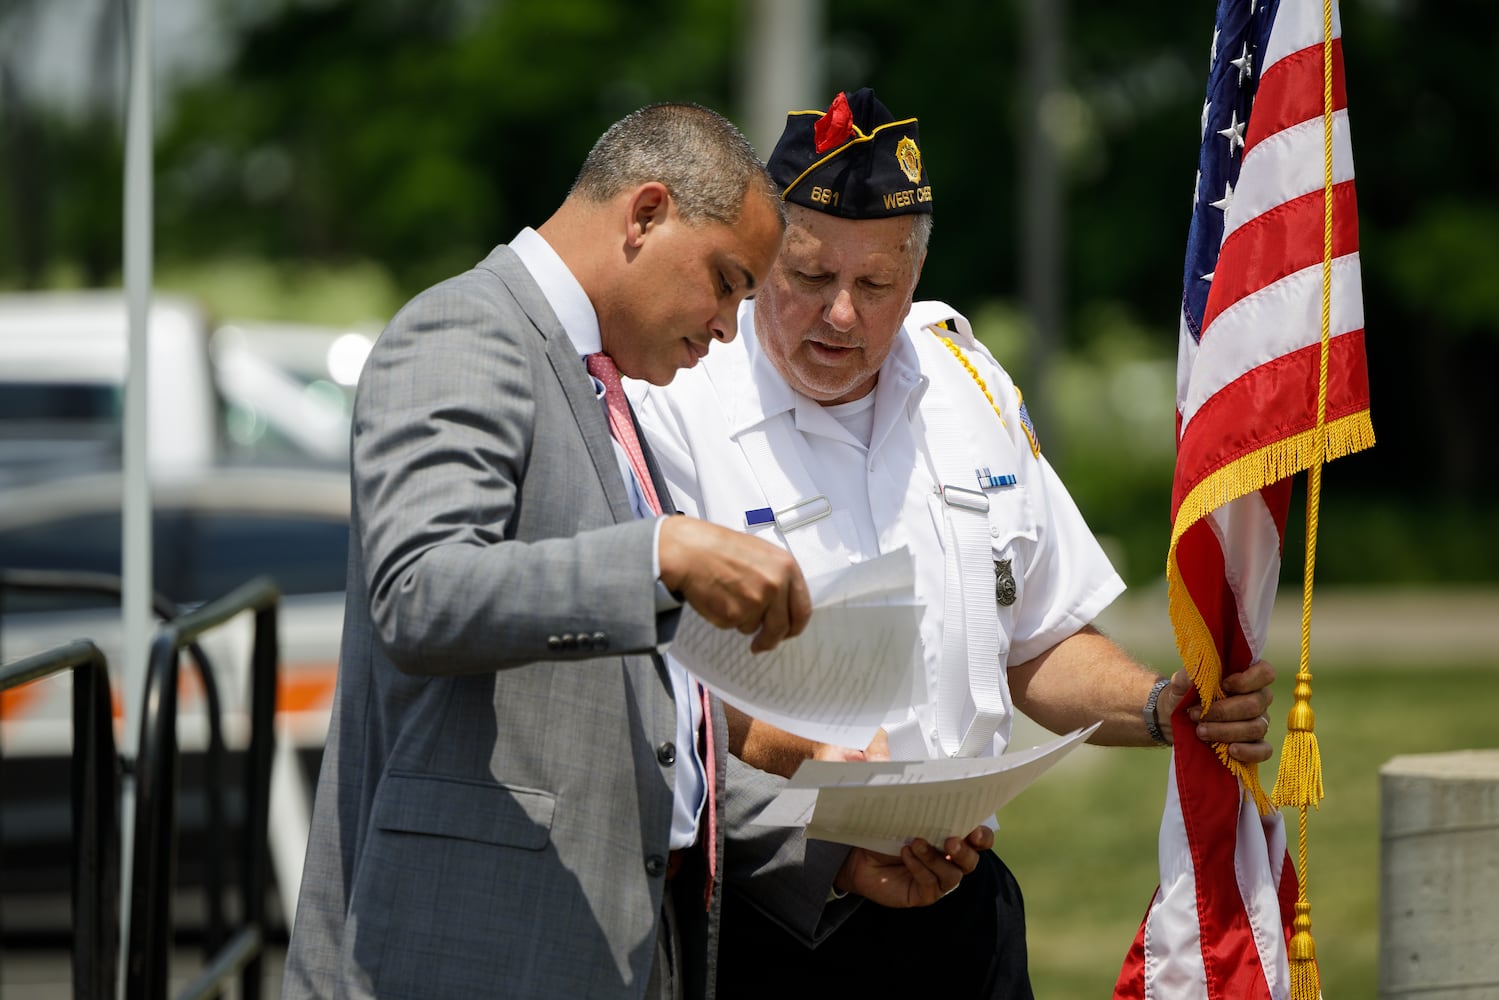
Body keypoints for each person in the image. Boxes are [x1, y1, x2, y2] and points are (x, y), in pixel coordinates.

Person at [281, 102, 993, 1000]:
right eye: (728, 280)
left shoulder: (602, 391)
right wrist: (658, 556)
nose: (730, 326)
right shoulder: (468, 329)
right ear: (646, 214)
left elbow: (644, 734)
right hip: (471, 953)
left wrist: (826, 852)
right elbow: (419, 594)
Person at [631, 89, 1278, 999]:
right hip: (770, 914)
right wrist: (808, 769)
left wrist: (1162, 706)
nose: (843, 316)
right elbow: (649, 688)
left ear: (916, 268)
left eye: (876, 285)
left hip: (962, 909)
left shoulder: (965, 382)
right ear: (757, 261)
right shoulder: (673, 407)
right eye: (810, 279)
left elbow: (1039, 643)